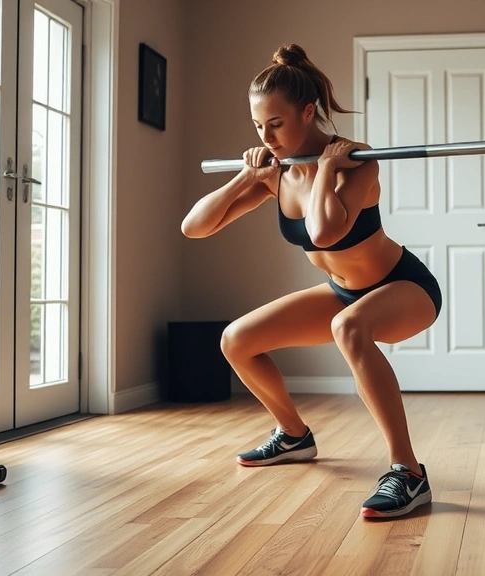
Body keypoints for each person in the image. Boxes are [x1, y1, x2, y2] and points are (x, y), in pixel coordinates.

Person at [180, 43, 442, 519]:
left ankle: (408, 472)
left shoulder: (358, 160)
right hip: (342, 293)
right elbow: (194, 227)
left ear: (307, 111)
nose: (267, 135)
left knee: (349, 328)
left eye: (276, 124)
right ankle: (294, 436)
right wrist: (246, 178)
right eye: (259, 126)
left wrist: (325, 170)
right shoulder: (272, 174)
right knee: (236, 340)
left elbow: (326, 231)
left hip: (404, 287)